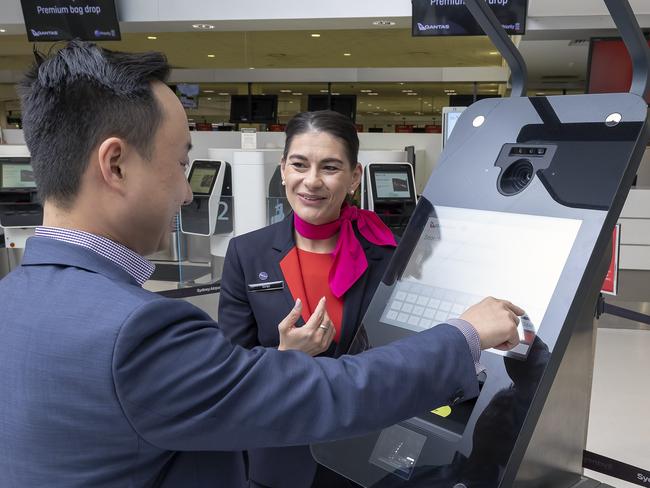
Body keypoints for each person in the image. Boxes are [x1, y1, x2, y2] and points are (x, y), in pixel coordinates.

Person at [0, 40, 522, 488]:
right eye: (181, 163)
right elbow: (327, 391)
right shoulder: (137, 330)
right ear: (116, 164)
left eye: (331, 167)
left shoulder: (13, 298)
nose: (186, 190)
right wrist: (465, 333)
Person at [218, 110, 404, 487]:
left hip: (363, 449)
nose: (312, 181)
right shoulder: (247, 254)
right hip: (279, 453)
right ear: (283, 169)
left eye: (330, 167)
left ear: (355, 177)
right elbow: (230, 370)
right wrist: (284, 358)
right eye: (300, 165)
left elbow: (401, 355)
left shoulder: (388, 254)